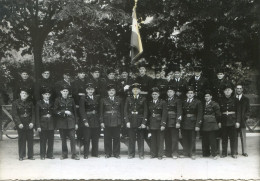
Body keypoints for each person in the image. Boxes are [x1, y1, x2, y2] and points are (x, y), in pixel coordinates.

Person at [54, 85, 79, 160]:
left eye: (66, 91)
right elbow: (55, 111)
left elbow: (75, 112)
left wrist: (76, 123)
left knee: (73, 139)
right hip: (62, 122)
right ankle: (64, 154)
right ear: (61, 92)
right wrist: (64, 111)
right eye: (63, 91)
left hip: (71, 122)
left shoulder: (71, 100)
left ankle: (74, 154)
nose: (65, 92)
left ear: (68, 92)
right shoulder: (57, 100)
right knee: (63, 139)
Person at [124, 83, 148, 159]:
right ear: (131, 90)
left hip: (140, 121)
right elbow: (125, 111)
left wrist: (144, 122)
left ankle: (141, 154)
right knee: (131, 138)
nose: (135, 90)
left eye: (137, 89)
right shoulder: (128, 98)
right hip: (131, 120)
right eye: (134, 89)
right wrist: (127, 121)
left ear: (139, 90)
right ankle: (131, 154)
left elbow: (145, 111)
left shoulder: (143, 99)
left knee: (140, 138)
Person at [100, 84, 123, 158]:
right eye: (110, 90)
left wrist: (122, 121)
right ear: (107, 92)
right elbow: (101, 112)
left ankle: (116, 153)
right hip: (107, 121)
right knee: (107, 138)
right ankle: (108, 153)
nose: (111, 92)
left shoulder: (119, 100)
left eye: (113, 90)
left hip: (117, 121)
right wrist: (102, 122)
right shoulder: (103, 100)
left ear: (115, 92)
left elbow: (122, 111)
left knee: (117, 138)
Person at [12, 88, 35, 161]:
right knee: (22, 139)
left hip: (29, 123)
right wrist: (18, 123)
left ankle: (30, 156)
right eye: (22, 93)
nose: (24, 95)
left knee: (30, 139)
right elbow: (14, 114)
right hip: (21, 123)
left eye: (25, 94)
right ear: (20, 94)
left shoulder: (30, 103)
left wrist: (32, 122)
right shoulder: (15, 103)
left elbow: (33, 114)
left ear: (27, 95)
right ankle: (21, 155)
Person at [219, 83, 241, 158]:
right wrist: (219, 121)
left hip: (233, 121)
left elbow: (238, 111)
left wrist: (238, 121)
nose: (227, 91)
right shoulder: (221, 99)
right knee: (224, 138)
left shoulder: (236, 100)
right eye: (226, 90)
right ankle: (224, 153)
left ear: (232, 91)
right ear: (224, 91)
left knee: (233, 138)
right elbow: (219, 112)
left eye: (229, 90)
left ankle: (233, 153)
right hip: (224, 121)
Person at [79, 83, 100, 159]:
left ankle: (95, 153)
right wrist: (85, 121)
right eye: (88, 89)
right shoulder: (83, 98)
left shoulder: (96, 98)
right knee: (87, 138)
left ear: (94, 90)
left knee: (95, 138)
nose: (90, 91)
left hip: (96, 120)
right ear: (86, 90)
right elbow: (82, 110)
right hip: (88, 120)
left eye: (91, 89)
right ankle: (86, 154)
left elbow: (98, 109)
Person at [181, 86, 202, 160]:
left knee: (192, 138)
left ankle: (192, 153)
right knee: (185, 138)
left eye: (191, 93)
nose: (190, 94)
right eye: (188, 93)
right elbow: (181, 113)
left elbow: (199, 114)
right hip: (184, 122)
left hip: (193, 122)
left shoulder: (198, 102)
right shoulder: (183, 102)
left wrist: (198, 125)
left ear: (194, 94)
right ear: (186, 94)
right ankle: (185, 152)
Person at [147, 87, 167, 160]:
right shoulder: (149, 102)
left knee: (160, 139)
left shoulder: (162, 102)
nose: (154, 95)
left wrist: (163, 124)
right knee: (153, 139)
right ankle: (153, 154)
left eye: (156, 94)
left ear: (158, 95)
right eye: (153, 94)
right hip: (152, 123)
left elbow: (164, 114)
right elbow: (148, 114)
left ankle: (160, 154)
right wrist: (148, 124)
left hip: (159, 123)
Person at [201, 90, 221, 160]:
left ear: (211, 97)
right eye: (205, 96)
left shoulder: (214, 104)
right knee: (205, 139)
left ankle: (214, 154)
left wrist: (218, 122)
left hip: (212, 124)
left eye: (208, 96)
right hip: (204, 124)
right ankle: (206, 153)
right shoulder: (202, 104)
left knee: (212, 139)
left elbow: (218, 115)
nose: (206, 97)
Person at [36, 87, 55, 160]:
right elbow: (37, 115)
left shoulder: (52, 103)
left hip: (51, 124)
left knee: (51, 140)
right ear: (42, 95)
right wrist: (38, 125)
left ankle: (50, 154)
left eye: (48, 94)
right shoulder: (39, 103)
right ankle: (42, 155)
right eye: (45, 94)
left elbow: (54, 114)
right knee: (43, 140)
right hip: (42, 124)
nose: (47, 96)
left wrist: (54, 125)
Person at [164, 86, 182, 159]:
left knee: (174, 138)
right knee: (167, 137)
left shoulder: (177, 100)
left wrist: (178, 122)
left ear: (174, 93)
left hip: (174, 121)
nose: (169, 93)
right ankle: (168, 153)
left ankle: (175, 153)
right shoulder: (165, 100)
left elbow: (179, 112)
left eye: (171, 92)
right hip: (166, 121)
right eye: (168, 92)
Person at [235, 84, 250, 157]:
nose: (239, 90)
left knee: (243, 136)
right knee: (235, 136)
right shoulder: (233, 98)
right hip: (234, 121)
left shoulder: (246, 99)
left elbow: (248, 110)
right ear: (235, 89)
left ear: (242, 89)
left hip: (243, 121)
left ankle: (244, 151)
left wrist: (245, 117)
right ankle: (235, 151)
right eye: (237, 88)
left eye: (240, 88)